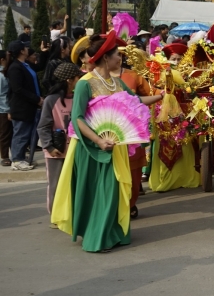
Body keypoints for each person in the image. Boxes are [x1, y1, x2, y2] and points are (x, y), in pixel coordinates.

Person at [50, 31, 160, 252]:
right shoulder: (85, 83)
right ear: (104, 58)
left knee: (115, 191)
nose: (120, 58)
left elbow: (135, 101)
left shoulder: (117, 82)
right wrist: (98, 141)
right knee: (100, 191)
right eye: (116, 55)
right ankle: (97, 238)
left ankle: (114, 232)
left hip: (115, 147)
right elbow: (77, 118)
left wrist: (160, 96)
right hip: (90, 147)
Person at [114, 47, 161, 218]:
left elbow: (150, 93)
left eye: (120, 54)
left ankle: (130, 203)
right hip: (107, 137)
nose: (118, 58)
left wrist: (163, 93)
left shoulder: (132, 76)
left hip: (131, 135)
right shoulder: (93, 79)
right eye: (114, 54)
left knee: (134, 178)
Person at [148, 42, 199, 193]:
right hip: (164, 115)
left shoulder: (188, 74)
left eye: (179, 59)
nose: (176, 62)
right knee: (165, 145)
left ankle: (185, 177)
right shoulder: (161, 74)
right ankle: (166, 180)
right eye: (173, 58)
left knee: (184, 144)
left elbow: (190, 92)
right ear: (168, 59)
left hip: (183, 113)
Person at [38, 62, 83, 215]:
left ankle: (71, 213)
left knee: (74, 182)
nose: (80, 80)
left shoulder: (79, 97)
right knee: (55, 183)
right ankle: (56, 214)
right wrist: (49, 147)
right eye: (78, 77)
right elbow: (43, 126)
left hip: (76, 148)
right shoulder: (51, 100)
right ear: (69, 80)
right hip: (56, 150)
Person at [6, 41, 41, 171]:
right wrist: (36, 99)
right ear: (21, 51)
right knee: (20, 133)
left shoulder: (26, 65)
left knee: (25, 133)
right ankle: (16, 160)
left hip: (30, 105)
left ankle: (20, 157)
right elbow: (17, 89)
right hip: (21, 107)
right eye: (25, 47)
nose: (28, 49)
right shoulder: (15, 67)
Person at [0, 50, 10, 166]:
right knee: (4, 133)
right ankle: (4, 156)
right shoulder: (1, 75)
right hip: (3, 108)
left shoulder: (4, 73)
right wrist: (7, 109)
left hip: (5, 106)